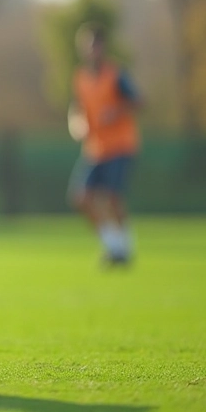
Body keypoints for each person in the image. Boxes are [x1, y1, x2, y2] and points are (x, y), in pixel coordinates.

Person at [67, 23, 141, 266]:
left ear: (102, 47)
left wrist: (116, 112)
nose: (92, 50)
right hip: (95, 148)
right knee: (81, 197)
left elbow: (138, 102)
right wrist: (77, 124)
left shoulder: (115, 74)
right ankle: (114, 246)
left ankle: (125, 249)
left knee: (112, 198)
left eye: (96, 45)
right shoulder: (81, 78)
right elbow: (77, 110)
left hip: (119, 145)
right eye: (88, 46)